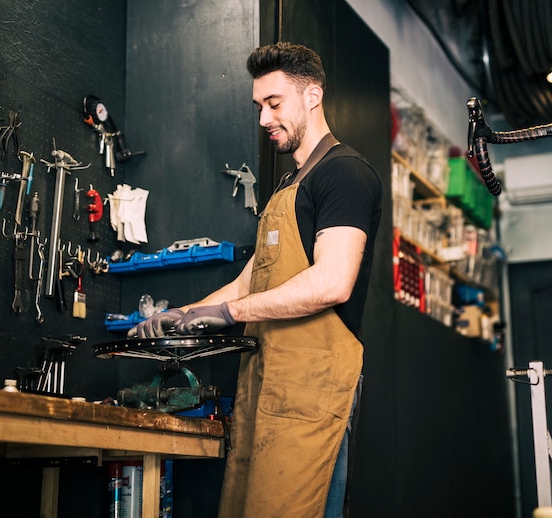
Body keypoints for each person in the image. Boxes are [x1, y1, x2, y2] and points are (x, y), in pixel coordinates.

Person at [129, 42, 382, 518]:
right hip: (265, 388)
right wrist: (182, 316)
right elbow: (249, 283)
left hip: (311, 391)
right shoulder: (289, 186)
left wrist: (227, 315)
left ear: (312, 96)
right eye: (258, 106)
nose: (264, 118)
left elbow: (332, 282)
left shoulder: (345, 175)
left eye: (274, 103)